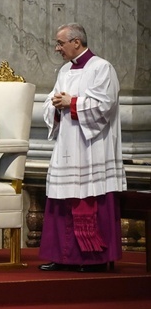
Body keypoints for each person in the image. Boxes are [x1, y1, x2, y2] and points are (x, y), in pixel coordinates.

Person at [38, 23, 126, 273]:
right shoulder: (65, 70)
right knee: (61, 198)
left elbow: (105, 105)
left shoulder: (102, 68)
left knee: (88, 197)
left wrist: (72, 102)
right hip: (67, 144)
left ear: (76, 42)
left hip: (91, 146)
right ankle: (62, 256)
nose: (57, 48)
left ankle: (92, 258)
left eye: (60, 43)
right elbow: (52, 99)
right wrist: (55, 105)